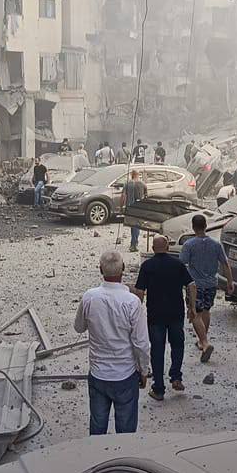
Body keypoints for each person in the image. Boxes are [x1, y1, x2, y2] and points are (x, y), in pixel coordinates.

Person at [74, 249, 150, 434]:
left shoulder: (90, 297)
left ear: (100, 269)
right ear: (123, 268)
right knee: (125, 430)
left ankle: (98, 452)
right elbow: (141, 343)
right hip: (125, 374)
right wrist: (144, 370)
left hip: (98, 372)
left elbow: (79, 327)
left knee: (97, 425)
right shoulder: (132, 302)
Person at [135, 236, 196, 400]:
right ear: (168, 247)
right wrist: (192, 307)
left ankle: (159, 388)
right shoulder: (177, 264)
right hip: (176, 313)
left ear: (153, 249)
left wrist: (137, 312)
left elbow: (140, 291)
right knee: (178, 345)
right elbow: (191, 285)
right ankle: (176, 377)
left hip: (156, 315)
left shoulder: (147, 266)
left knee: (157, 350)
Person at [180, 214, 233, 363]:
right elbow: (225, 264)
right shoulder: (216, 245)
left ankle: (204, 343)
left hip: (195, 285)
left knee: (195, 313)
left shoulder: (189, 245)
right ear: (205, 226)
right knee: (206, 311)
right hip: (211, 284)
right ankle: (202, 339)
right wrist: (230, 282)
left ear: (193, 227)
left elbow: (181, 264)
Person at [122, 168, 146, 252]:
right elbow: (146, 196)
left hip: (130, 207)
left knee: (133, 225)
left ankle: (134, 243)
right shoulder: (142, 184)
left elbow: (123, 196)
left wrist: (122, 206)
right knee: (136, 225)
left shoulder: (127, 183)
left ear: (131, 175)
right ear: (138, 175)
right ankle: (134, 243)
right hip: (139, 207)